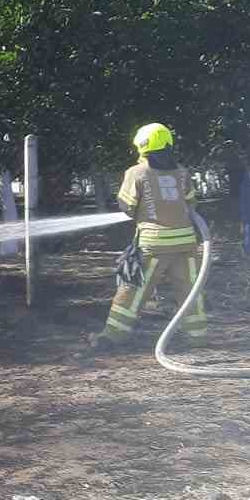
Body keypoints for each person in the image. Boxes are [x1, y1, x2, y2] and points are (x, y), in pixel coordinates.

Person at [92, 122, 208, 351]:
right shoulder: (182, 172)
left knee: (133, 290)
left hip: (153, 245)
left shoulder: (137, 173)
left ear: (142, 147)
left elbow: (127, 206)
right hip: (186, 243)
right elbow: (192, 202)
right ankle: (198, 336)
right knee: (190, 288)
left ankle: (113, 335)